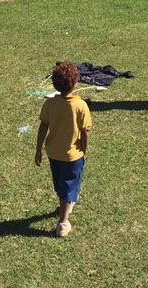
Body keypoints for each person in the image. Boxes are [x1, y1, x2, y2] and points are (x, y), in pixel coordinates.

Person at [34, 60, 93, 237]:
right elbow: (85, 132)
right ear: (75, 83)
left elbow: (43, 125)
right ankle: (63, 222)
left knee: (61, 184)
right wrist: (84, 150)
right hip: (72, 155)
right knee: (68, 187)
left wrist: (38, 149)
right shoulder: (81, 105)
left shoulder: (50, 103)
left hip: (53, 153)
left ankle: (66, 204)